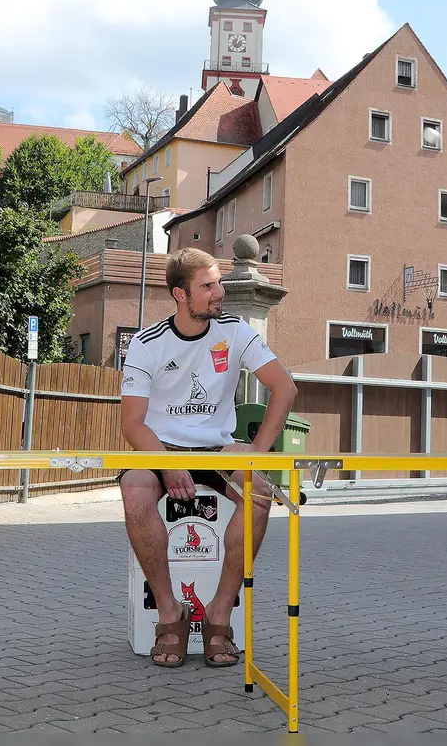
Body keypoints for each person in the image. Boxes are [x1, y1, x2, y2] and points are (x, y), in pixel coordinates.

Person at [118, 247, 297, 670]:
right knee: (134, 490)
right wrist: (165, 463)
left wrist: (256, 451)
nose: (219, 292)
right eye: (209, 286)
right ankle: (169, 613)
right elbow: (132, 423)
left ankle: (219, 614)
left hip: (219, 448)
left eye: (218, 282)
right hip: (161, 448)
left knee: (259, 496)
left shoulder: (235, 332)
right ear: (181, 294)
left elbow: (284, 388)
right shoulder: (146, 344)